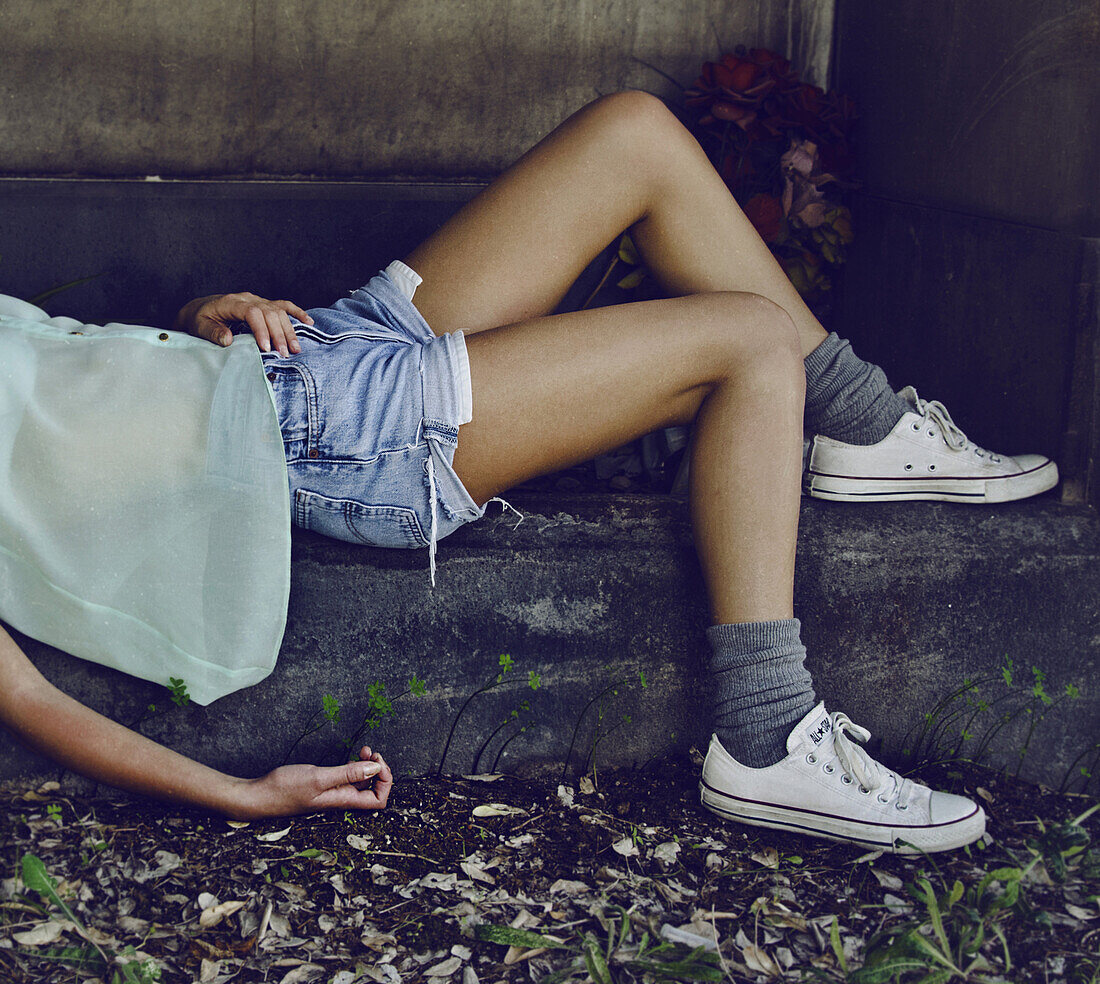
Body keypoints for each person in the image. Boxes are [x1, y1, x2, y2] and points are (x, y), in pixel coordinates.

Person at [0, 92, 1056, 851]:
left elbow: (69, 383)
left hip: (305, 352)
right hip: (331, 443)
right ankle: (767, 735)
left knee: (634, 133)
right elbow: (30, 699)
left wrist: (196, 320)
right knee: (747, 343)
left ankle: (862, 431)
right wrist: (242, 794)